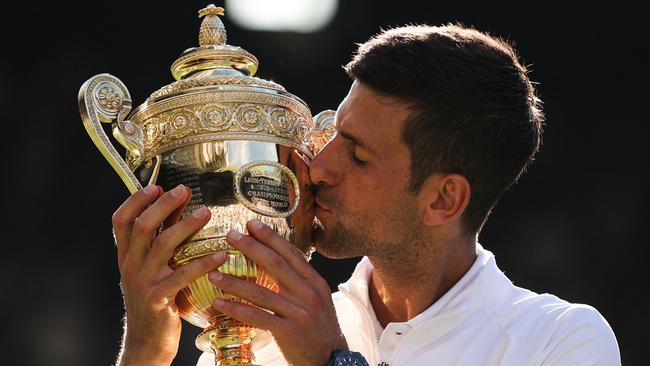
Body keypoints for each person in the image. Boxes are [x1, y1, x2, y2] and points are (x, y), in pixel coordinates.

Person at [112, 24, 620, 366]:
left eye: (358, 156)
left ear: (444, 200)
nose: (320, 166)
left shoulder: (558, 342)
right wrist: (143, 352)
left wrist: (332, 362)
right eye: (334, 133)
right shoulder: (258, 340)